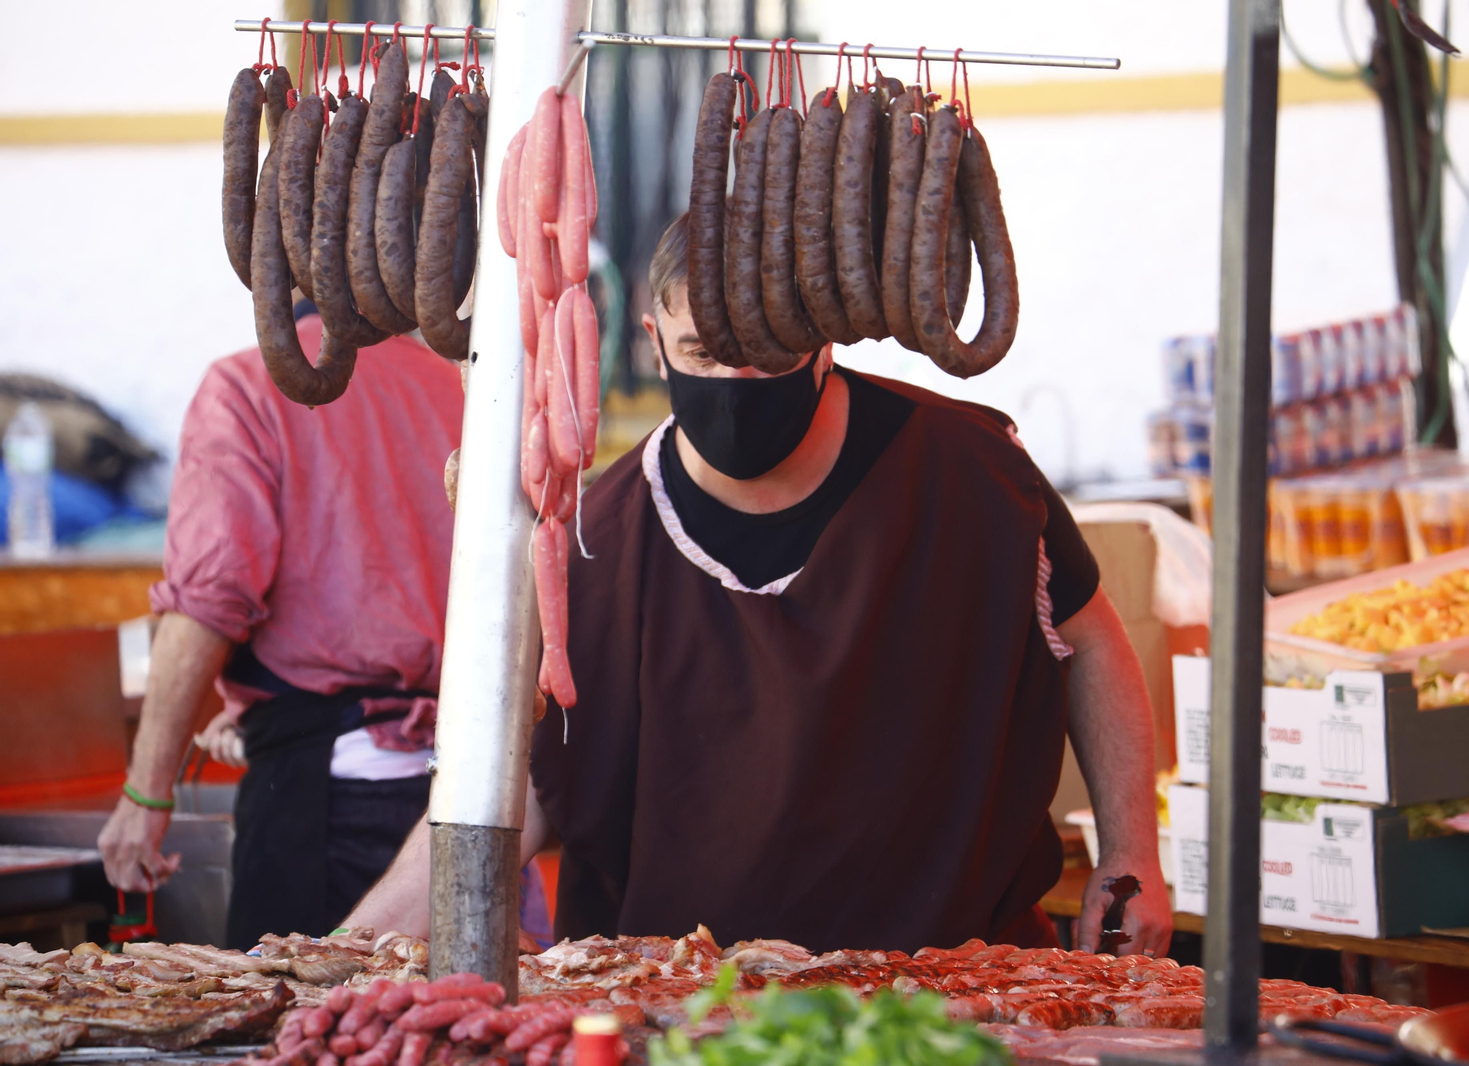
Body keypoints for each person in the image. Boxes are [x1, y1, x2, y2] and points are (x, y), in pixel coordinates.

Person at [349, 215, 1171, 956]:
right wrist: (348, 949)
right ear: (654, 342)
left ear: (824, 342)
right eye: (704, 353)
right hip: (686, 1004)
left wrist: (1132, 849)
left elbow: (1090, 640)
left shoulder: (972, 472)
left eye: (766, 349)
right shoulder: (596, 540)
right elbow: (534, 778)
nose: (737, 379)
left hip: (960, 985)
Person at [97, 304, 468, 949]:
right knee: (461, 1010)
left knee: (296, 1010)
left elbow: (209, 599)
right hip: (465, 793)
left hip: (324, 807)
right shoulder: (460, 385)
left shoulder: (245, 385)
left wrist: (147, 794)